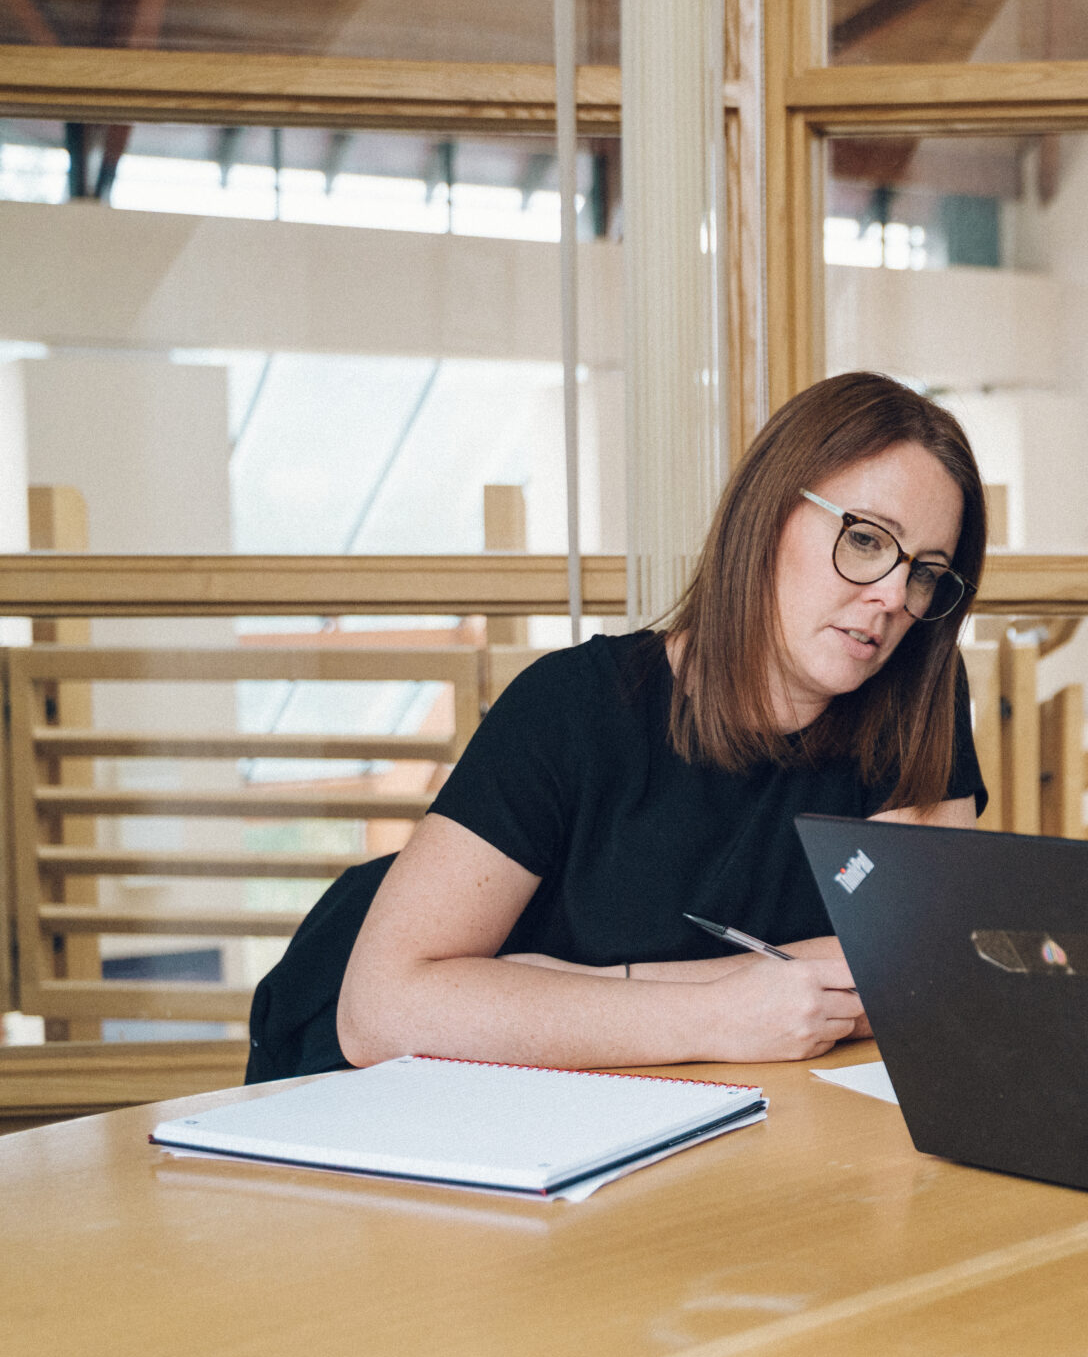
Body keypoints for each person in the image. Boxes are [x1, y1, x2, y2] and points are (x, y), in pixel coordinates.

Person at [243, 372, 988, 1080]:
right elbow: (382, 1009)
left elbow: (909, 965)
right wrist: (713, 1014)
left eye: (926, 571)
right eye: (865, 539)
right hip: (461, 1123)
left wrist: (575, 984)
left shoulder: (916, 697)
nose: (893, 595)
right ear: (766, 515)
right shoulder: (569, 707)